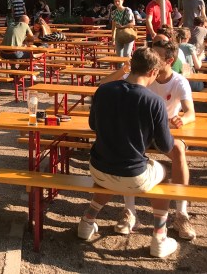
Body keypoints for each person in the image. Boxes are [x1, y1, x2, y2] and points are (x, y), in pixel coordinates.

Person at [77, 47, 179, 258]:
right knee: (166, 173)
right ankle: (160, 236)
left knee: (112, 175)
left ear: (131, 66)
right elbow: (165, 146)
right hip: (132, 176)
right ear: (152, 72)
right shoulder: (154, 101)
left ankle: (87, 221)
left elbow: (93, 125)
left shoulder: (103, 90)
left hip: (97, 169)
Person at [106, 37, 196, 240]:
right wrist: (123, 70)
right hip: (142, 130)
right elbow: (105, 84)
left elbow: (191, 112)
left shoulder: (179, 81)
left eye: (158, 55)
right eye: (152, 53)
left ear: (170, 61)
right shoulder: (144, 74)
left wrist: (181, 119)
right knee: (127, 147)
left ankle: (181, 213)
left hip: (166, 130)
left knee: (179, 150)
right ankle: (130, 212)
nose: (152, 57)